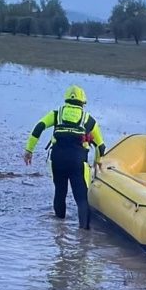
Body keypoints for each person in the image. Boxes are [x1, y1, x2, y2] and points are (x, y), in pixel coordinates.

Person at [23, 85, 106, 229]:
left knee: (60, 192)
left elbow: (39, 127)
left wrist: (29, 150)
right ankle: (83, 235)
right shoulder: (89, 120)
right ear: (83, 103)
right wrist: (97, 162)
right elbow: (101, 146)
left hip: (58, 159)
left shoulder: (57, 114)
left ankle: (59, 229)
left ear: (66, 100)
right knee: (81, 198)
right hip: (77, 161)